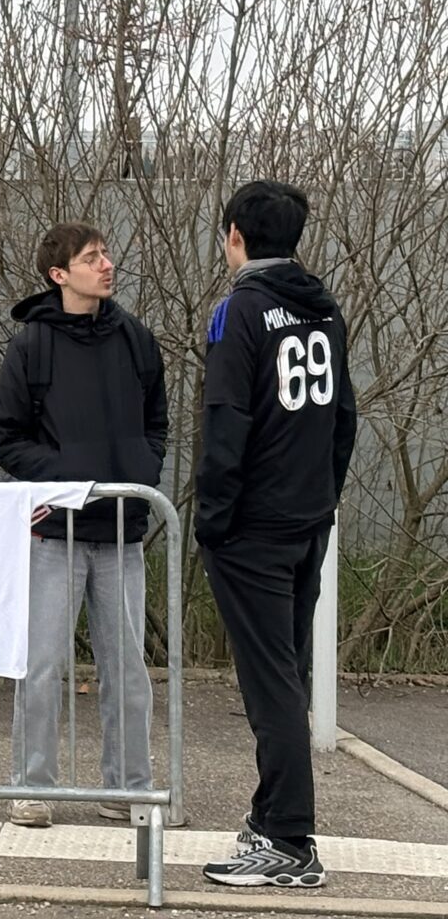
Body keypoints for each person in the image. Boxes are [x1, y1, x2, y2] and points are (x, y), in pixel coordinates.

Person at [195, 181, 355, 889]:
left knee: (273, 688)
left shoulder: (239, 313)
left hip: (253, 528)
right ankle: (270, 823)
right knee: (287, 675)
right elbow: (343, 419)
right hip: (307, 518)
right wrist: (322, 496)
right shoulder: (325, 314)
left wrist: (213, 519)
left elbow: (226, 420)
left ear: (234, 235)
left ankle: (289, 841)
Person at [0, 222, 167, 830]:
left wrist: (140, 469)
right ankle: (31, 788)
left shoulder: (137, 340)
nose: (107, 264)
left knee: (128, 671)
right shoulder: (31, 346)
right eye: (92, 258)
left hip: (122, 533)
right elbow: (5, 437)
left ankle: (129, 790)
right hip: (54, 538)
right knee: (40, 667)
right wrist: (65, 477)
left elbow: (157, 423)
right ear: (59, 274)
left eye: (107, 254)